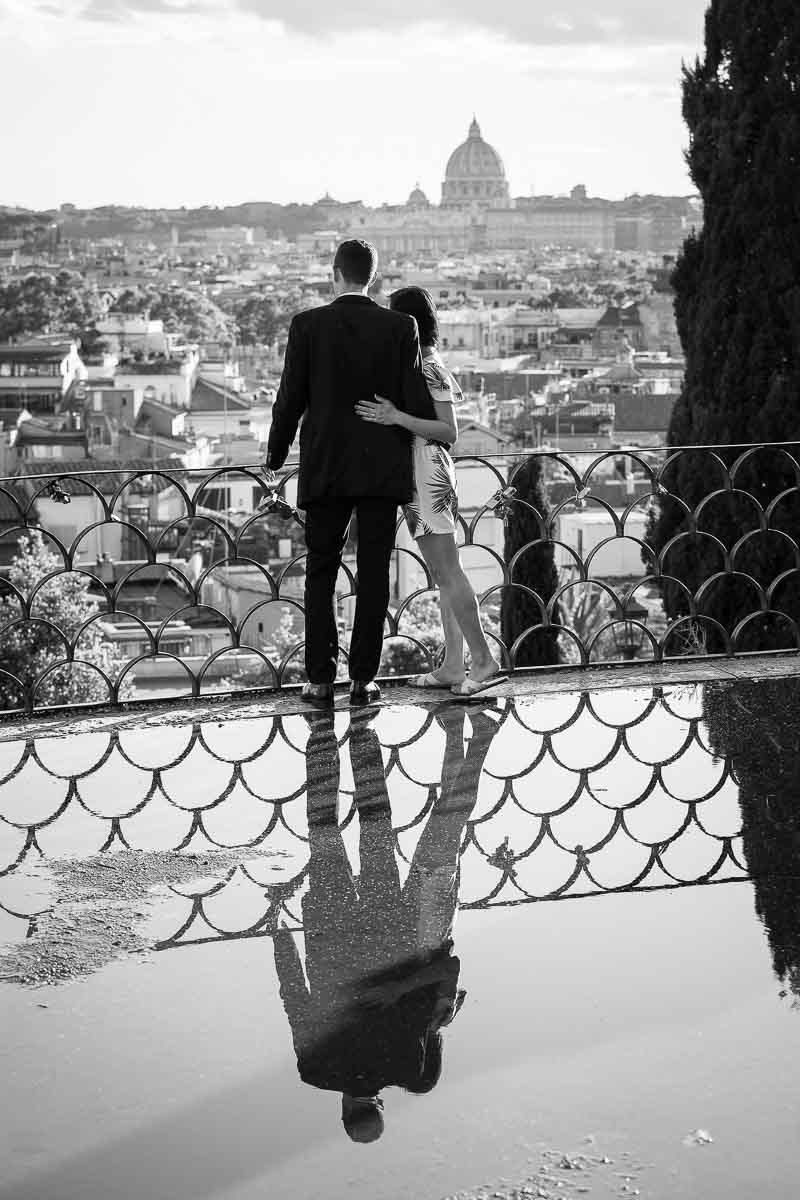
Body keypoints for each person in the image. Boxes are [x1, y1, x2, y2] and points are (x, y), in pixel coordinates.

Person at [272, 702, 502, 1142]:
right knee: (323, 828)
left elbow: (425, 991)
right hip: (331, 930)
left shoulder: (408, 1067)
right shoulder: (315, 1070)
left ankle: (362, 730)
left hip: (390, 930)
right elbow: (293, 996)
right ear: (344, 1112)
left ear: (378, 1104)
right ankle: (324, 731)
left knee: (376, 823)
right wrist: (279, 933)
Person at [264, 240, 434, 707]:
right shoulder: (402, 327)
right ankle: (363, 679)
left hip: (326, 466)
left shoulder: (307, 325)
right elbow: (413, 402)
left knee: (321, 572)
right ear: (373, 278)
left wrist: (275, 457)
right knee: (376, 573)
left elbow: (289, 400)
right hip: (382, 466)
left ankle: (320, 679)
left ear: (334, 274)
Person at [355, 286, 505, 698]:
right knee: (442, 574)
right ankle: (453, 665)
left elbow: (449, 432)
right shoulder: (416, 363)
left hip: (429, 472)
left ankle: (483, 659)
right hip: (418, 474)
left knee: (450, 571)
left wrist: (396, 416)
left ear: (408, 322)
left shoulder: (430, 366)